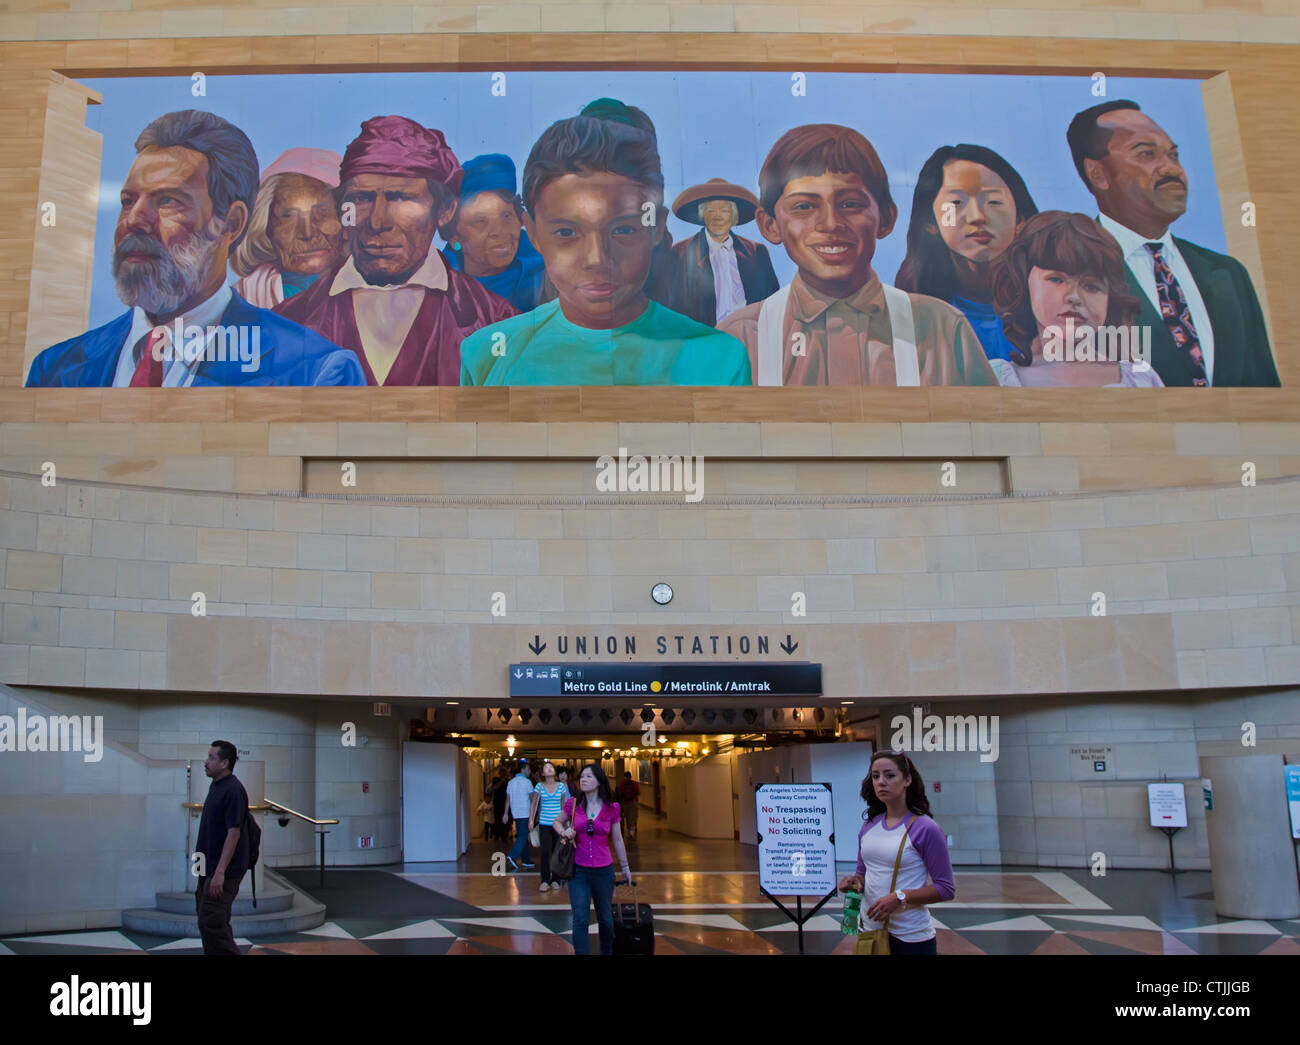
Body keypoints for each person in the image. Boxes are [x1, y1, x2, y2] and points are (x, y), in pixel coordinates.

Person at [27, 110, 365, 388]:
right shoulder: (56, 370)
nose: (134, 220)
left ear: (230, 224)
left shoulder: (315, 372)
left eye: (167, 201)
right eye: (128, 201)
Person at [460, 98, 752, 386]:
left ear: (657, 227)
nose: (597, 259)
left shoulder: (720, 360)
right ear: (532, 232)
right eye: (566, 233)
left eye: (622, 230)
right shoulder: (485, 356)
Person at [718, 124, 997, 387]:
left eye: (850, 204)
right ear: (770, 225)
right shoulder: (741, 337)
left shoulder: (943, 328)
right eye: (803, 206)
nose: (829, 223)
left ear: (886, 218)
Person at [276, 115, 517, 385]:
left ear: (445, 210)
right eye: (361, 198)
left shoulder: (497, 322)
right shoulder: (285, 324)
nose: (378, 222)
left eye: (401, 198)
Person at [1067, 100, 1278, 387]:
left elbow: (1264, 394)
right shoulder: (1067, 273)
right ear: (1098, 174)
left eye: (1174, 155)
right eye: (1146, 154)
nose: (1171, 169)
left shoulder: (1227, 274)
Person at [894, 144, 1038, 362]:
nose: (977, 216)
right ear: (931, 222)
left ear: (1020, 220)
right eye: (956, 203)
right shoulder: (908, 317)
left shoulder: (1050, 310)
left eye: (994, 202)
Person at [990, 210, 1163, 387]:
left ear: (1110, 299)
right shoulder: (995, 380)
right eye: (1056, 279)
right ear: (1023, 284)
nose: (1074, 297)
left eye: (1091, 286)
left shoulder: (1140, 380)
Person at [838, 750, 955, 955]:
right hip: (871, 932)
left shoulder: (925, 828)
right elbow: (862, 874)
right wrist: (853, 882)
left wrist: (899, 898)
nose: (881, 782)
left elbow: (945, 889)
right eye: (875, 776)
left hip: (910, 937)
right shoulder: (869, 825)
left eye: (889, 775)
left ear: (907, 779)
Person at [231, 147, 346, 309]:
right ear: (266, 228)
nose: (307, 233)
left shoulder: (379, 295)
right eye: (288, 217)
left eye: (322, 213)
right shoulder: (243, 299)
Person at [440, 153, 546, 313]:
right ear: (454, 236)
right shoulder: (436, 289)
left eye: (507, 216)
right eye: (481, 221)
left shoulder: (548, 275)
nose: (499, 232)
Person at [670, 177, 780, 327]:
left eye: (724, 210)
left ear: (733, 215)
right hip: (704, 339)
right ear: (703, 215)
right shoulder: (680, 253)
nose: (717, 216)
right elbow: (672, 307)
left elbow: (772, 303)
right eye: (711, 210)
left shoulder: (756, 252)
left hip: (749, 337)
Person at [552, 764, 633, 955]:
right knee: (580, 918)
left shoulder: (612, 808)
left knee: (605, 918)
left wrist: (625, 867)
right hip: (578, 870)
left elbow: (618, 838)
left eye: (589, 776)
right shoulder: (573, 804)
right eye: (582, 776)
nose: (583, 779)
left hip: (604, 871)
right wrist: (564, 831)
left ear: (599, 781)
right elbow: (556, 821)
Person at [195, 739, 250, 955]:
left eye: (211, 757)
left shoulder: (233, 790)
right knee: (208, 921)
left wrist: (220, 873)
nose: (206, 761)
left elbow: (233, 833)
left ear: (225, 763)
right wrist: (199, 871)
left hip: (222, 871)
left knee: (212, 923)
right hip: (206, 867)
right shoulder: (216, 786)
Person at [530, 761, 570, 891]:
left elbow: (564, 806)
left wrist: (567, 824)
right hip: (544, 824)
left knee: (557, 852)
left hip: (558, 824)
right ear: (542, 773)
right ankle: (545, 880)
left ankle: (556, 880)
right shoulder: (539, 786)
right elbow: (534, 804)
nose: (549, 769)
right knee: (545, 852)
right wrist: (531, 820)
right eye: (546, 768)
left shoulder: (561, 787)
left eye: (551, 767)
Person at [503, 760, 535, 870]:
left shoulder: (510, 782)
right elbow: (532, 800)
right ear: (523, 769)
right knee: (522, 836)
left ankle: (526, 860)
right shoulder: (527, 782)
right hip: (526, 813)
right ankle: (513, 856)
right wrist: (535, 813)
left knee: (523, 835)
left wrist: (506, 814)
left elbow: (508, 800)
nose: (529, 771)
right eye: (528, 769)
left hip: (515, 813)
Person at [616, 770, 641, 840]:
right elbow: (638, 792)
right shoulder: (634, 783)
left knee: (629, 818)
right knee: (631, 818)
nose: (627, 779)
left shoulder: (623, 784)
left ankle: (631, 833)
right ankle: (631, 833)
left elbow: (620, 793)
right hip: (632, 803)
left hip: (626, 803)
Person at [490, 768, 510, 844]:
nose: (503, 774)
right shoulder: (495, 779)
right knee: (497, 820)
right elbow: (495, 788)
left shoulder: (508, 781)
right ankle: (497, 835)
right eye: (501, 772)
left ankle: (504, 836)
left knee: (505, 821)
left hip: (506, 803)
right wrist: (502, 780)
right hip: (497, 803)